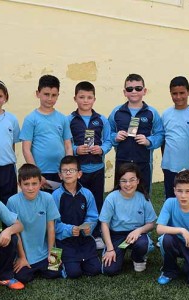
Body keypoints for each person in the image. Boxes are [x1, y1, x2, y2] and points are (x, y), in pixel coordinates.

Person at [68, 81, 112, 249]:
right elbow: (65, 142)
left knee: (96, 202)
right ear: (75, 98)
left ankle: (96, 234)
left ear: (94, 99)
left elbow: (108, 141)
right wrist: (75, 150)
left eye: (89, 97)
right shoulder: (70, 120)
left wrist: (101, 149)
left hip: (97, 170)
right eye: (81, 97)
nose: (85, 101)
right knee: (78, 202)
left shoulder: (101, 119)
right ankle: (77, 233)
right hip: (78, 172)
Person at [108, 73, 164, 193]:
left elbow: (160, 134)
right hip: (122, 162)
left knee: (143, 195)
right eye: (130, 89)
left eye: (138, 88)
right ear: (125, 92)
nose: (134, 91)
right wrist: (115, 137)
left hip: (143, 163)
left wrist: (149, 141)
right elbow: (108, 133)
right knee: (121, 195)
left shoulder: (151, 112)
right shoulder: (116, 112)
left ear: (144, 91)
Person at [7, 164, 62, 283]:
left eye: (34, 183)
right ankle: (21, 260)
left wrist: (52, 252)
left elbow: (51, 227)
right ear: (19, 185)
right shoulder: (12, 201)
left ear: (40, 183)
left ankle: (46, 261)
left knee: (56, 272)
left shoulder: (48, 198)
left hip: (44, 250)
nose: (30, 188)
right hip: (25, 253)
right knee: (22, 277)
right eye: (26, 184)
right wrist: (22, 257)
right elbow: (15, 232)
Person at [99, 163, 157, 276]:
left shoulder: (143, 198)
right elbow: (104, 224)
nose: (128, 184)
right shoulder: (112, 198)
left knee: (142, 244)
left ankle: (138, 258)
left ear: (138, 181)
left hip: (136, 235)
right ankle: (114, 250)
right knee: (109, 270)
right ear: (118, 182)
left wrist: (138, 231)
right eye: (124, 180)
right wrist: (110, 249)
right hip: (117, 235)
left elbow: (151, 224)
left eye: (132, 180)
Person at [20, 75, 73, 193]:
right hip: (40, 173)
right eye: (46, 94)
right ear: (37, 93)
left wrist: (67, 169)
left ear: (58, 95)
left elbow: (68, 146)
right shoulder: (31, 119)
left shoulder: (63, 118)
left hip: (60, 172)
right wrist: (36, 174)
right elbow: (26, 149)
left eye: (54, 95)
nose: (50, 98)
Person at [52, 156, 101, 279]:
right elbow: (52, 223)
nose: (68, 173)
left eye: (72, 170)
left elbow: (93, 216)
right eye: (65, 170)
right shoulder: (55, 196)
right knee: (74, 273)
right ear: (60, 175)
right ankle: (64, 264)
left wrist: (89, 226)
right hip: (64, 240)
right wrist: (69, 229)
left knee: (95, 269)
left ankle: (82, 259)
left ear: (79, 174)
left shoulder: (87, 194)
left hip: (84, 239)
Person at [161, 76, 189, 201]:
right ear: (170, 94)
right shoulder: (166, 114)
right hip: (169, 168)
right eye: (175, 93)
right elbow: (164, 141)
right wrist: (166, 162)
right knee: (171, 200)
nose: (178, 97)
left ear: (188, 92)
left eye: (182, 93)